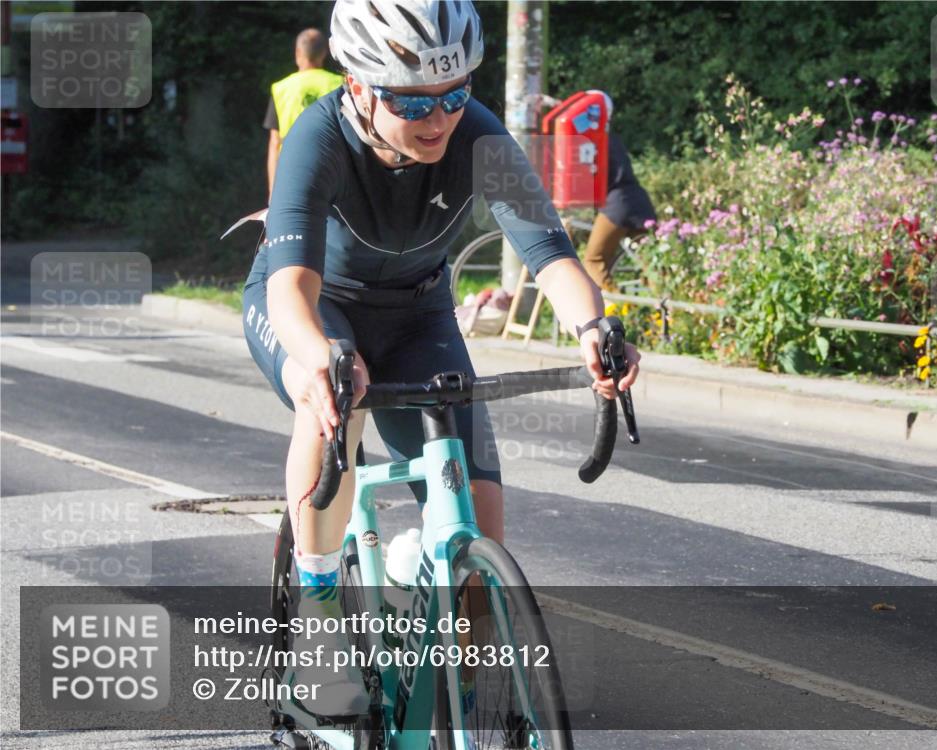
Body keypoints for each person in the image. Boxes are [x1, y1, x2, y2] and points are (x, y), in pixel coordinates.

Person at [242, 0, 640, 724]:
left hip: (419, 311)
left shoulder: (478, 136)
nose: (439, 118)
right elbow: (289, 294)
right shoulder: (316, 137)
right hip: (313, 307)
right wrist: (325, 356)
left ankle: (416, 579)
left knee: (478, 553)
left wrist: (593, 326)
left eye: (455, 94)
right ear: (359, 87)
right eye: (412, 100)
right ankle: (323, 620)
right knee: (331, 404)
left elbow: (548, 253)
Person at [263, 28, 343, 199]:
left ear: (298, 52)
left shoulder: (281, 88)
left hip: (291, 167)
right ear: (324, 53)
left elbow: (274, 142)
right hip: (334, 162)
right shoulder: (340, 84)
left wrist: (273, 191)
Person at [581, 131, 657, 292]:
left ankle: (614, 305)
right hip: (640, 200)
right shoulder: (610, 136)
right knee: (653, 260)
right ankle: (668, 307)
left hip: (616, 204)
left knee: (594, 261)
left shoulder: (586, 141)